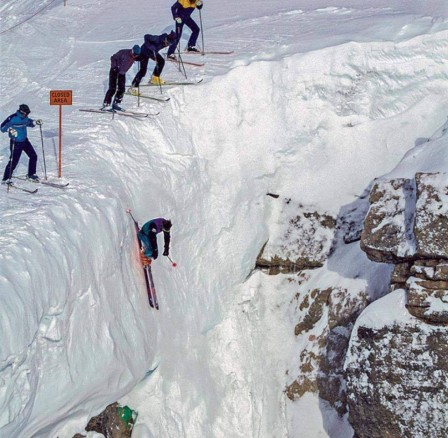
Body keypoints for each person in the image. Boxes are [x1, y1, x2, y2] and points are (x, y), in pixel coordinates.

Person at [1, 104, 42, 184]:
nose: (27, 115)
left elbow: (29, 122)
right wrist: (11, 130)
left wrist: (35, 122)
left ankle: (31, 174)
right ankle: (5, 179)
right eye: (27, 113)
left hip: (24, 140)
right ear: (22, 112)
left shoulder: (25, 118)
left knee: (33, 156)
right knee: (13, 161)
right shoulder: (12, 118)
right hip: (15, 142)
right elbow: (2, 128)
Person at [102, 45, 141, 111]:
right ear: (132, 50)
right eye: (135, 54)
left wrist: (141, 58)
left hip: (122, 73)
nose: (135, 56)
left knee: (122, 89)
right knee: (112, 88)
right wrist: (114, 67)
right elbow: (113, 58)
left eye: (137, 55)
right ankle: (106, 104)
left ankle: (117, 103)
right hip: (114, 71)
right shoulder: (123, 53)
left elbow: (139, 57)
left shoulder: (135, 56)